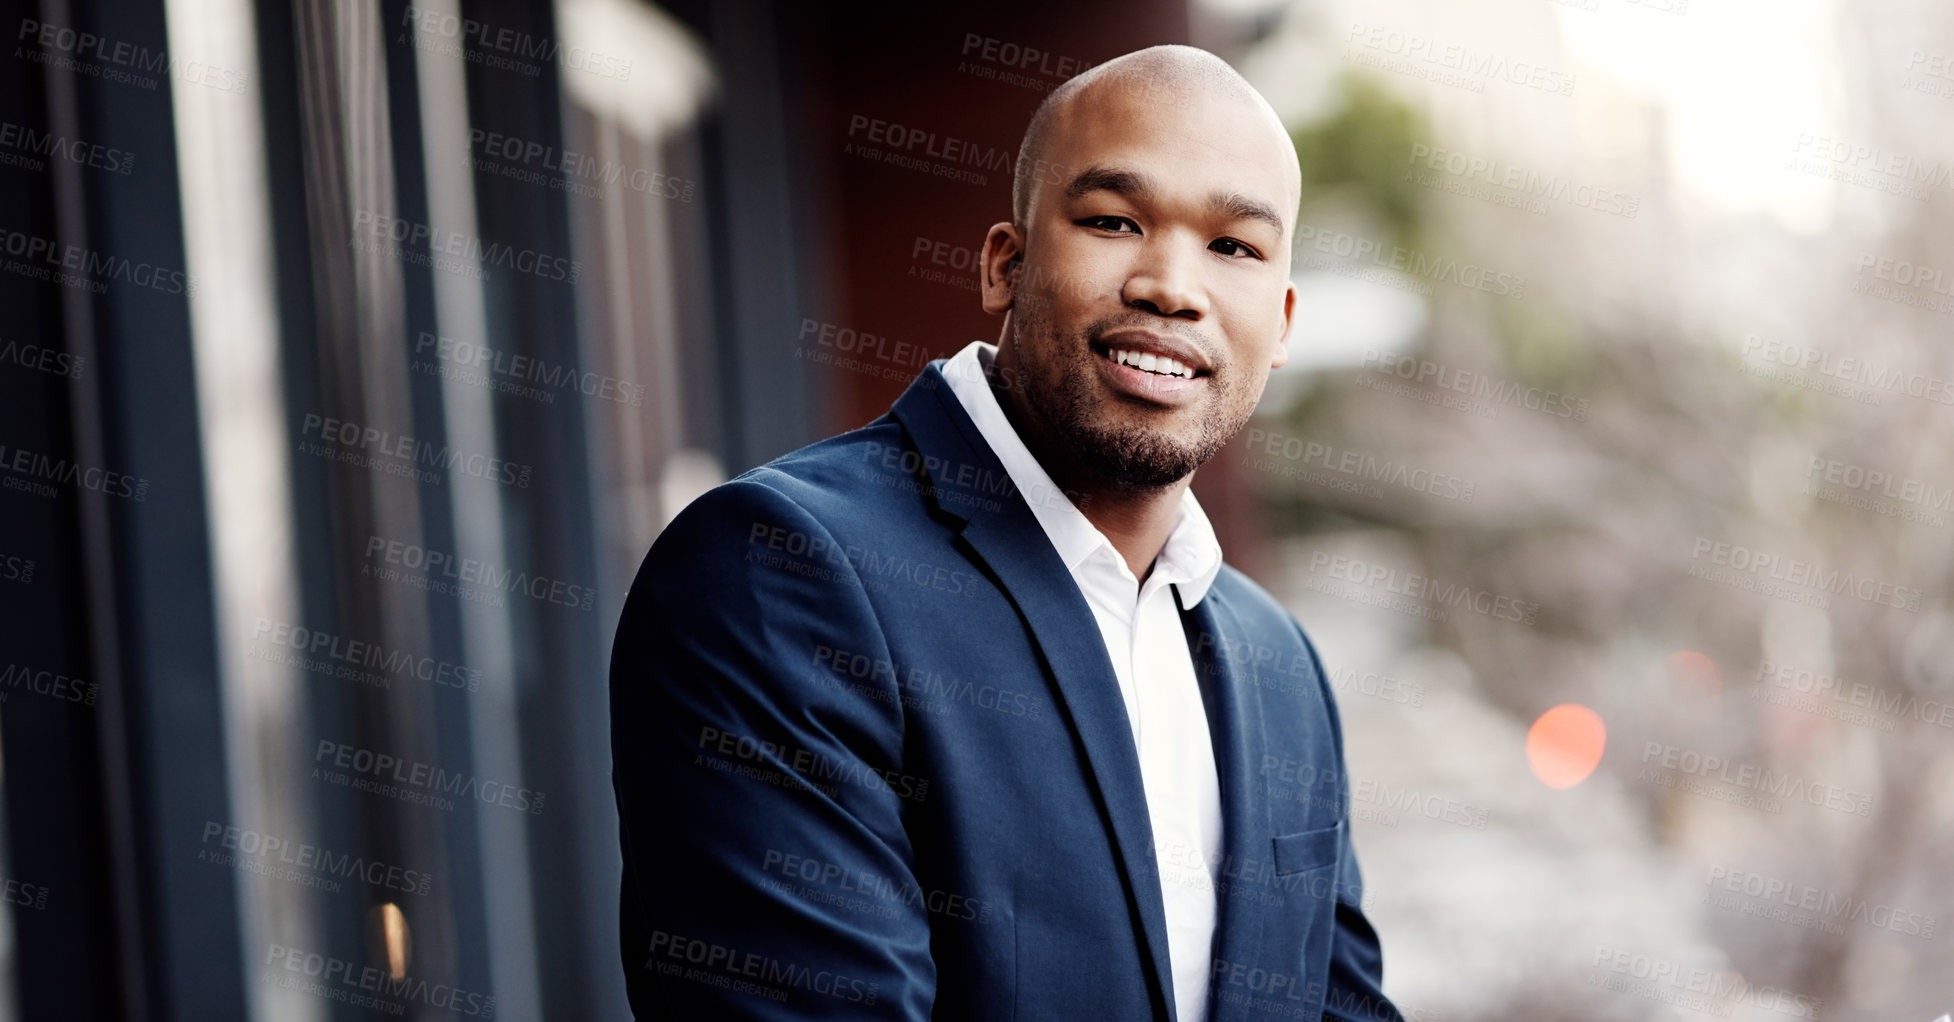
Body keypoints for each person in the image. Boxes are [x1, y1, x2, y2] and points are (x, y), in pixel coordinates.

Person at [611, 43, 1402, 1022]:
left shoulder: (1277, 662)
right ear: (1005, 262)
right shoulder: (778, 571)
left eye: (1232, 246)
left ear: (1280, 324)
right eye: (1113, 221)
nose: (1170, 285)